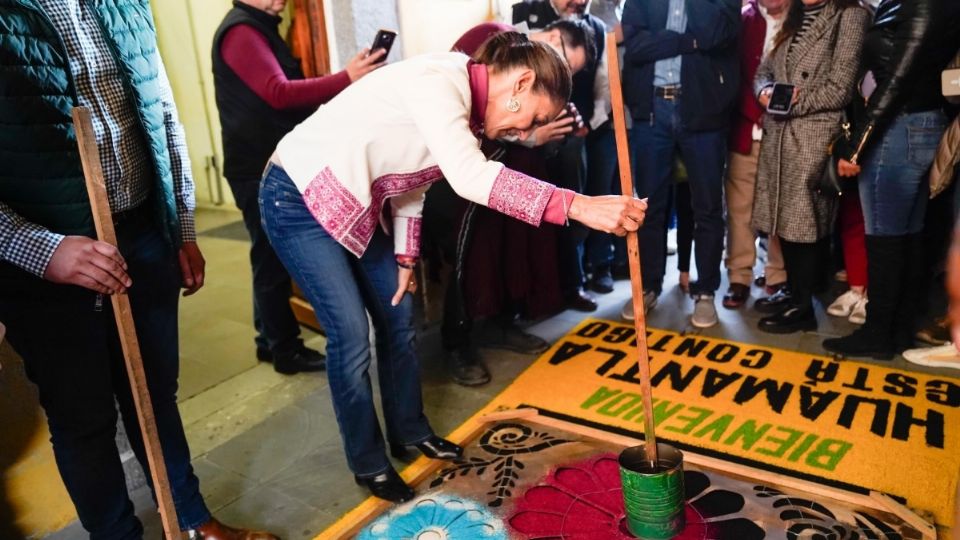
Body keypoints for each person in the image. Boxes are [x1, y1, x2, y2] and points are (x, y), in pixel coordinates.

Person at [260, 33, 646, 503]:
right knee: (351, 335)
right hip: (295, 198)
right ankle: (369, 462)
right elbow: (469, 178)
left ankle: (409, 432)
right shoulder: (440, 83)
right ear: (521, 82)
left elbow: (411, 181)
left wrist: (405, 256)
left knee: (399, 321)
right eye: (535, 118)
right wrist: (577, 205)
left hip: (357, 202)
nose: (526, 133)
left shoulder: (467, 110)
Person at [0, 1, 277, 538]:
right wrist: (43, 250)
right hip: (46, 259)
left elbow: (162, 114)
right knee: (84, 419)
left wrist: (182, 228)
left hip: (144, 233)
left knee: (153, 394)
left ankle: (192, 522)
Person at [212, 0, 385, 375]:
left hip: (268, 161)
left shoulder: (261, 27)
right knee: (272, 260)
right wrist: (346, 78)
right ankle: (285, 350)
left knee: (267, 256)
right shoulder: (242, 31)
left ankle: (270, 341)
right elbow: (278, 92)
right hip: (255, 167)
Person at [426, 19, 597, 387]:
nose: (560, 80)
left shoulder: (533, 87)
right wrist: (531, 135)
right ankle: (457, 341)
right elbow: (474, 119)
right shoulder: (488, 39)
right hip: (469, 173)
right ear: (552, 40)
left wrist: (551, 131)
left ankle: (502, 324)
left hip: (516, 169)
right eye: (563, 68)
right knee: (470, 251)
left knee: (511, 253)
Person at [822, 0, 960, 358]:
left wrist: (857, 145)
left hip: (900, 127)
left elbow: (898, 79)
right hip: (917, 122)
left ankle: (878, 334)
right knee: (906, 236)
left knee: (885, 239)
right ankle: (897, 330)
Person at [619, 0, 741, 328]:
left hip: (703, 109)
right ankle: (648, 285)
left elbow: (716, 34)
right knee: (648, 206)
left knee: (707, 208)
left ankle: (705, 293)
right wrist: (688, 41)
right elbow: (635, 45)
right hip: (653, 110)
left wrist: (676, 37)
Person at [752, 0, 869, 334]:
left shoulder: (851, 16)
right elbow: (765, 70)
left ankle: (803, 307)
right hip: (780, 135)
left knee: (805, 222)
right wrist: (764, 92)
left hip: (815, 135)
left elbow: (840, 88)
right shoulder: (795, 15)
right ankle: (793, 293)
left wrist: (786, 102)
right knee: (784, 222)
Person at [513, 0, 609, 312]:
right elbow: (516, 71)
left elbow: (603, 85)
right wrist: (531, 129)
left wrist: (586, 125)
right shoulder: (521, 16)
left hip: (570, 139)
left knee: (571, 209)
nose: (579, 1)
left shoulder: (594, 27)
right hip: (523, 135)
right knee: (531, 215)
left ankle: (572, 283)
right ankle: (535, 293)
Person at [723, 0, 789, 310]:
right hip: (744, 129)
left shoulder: (804, 18)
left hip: (788, 133)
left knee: (780, 207)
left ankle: (777, 273)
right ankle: (739, 276)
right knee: (739, 209)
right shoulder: (742, 20)